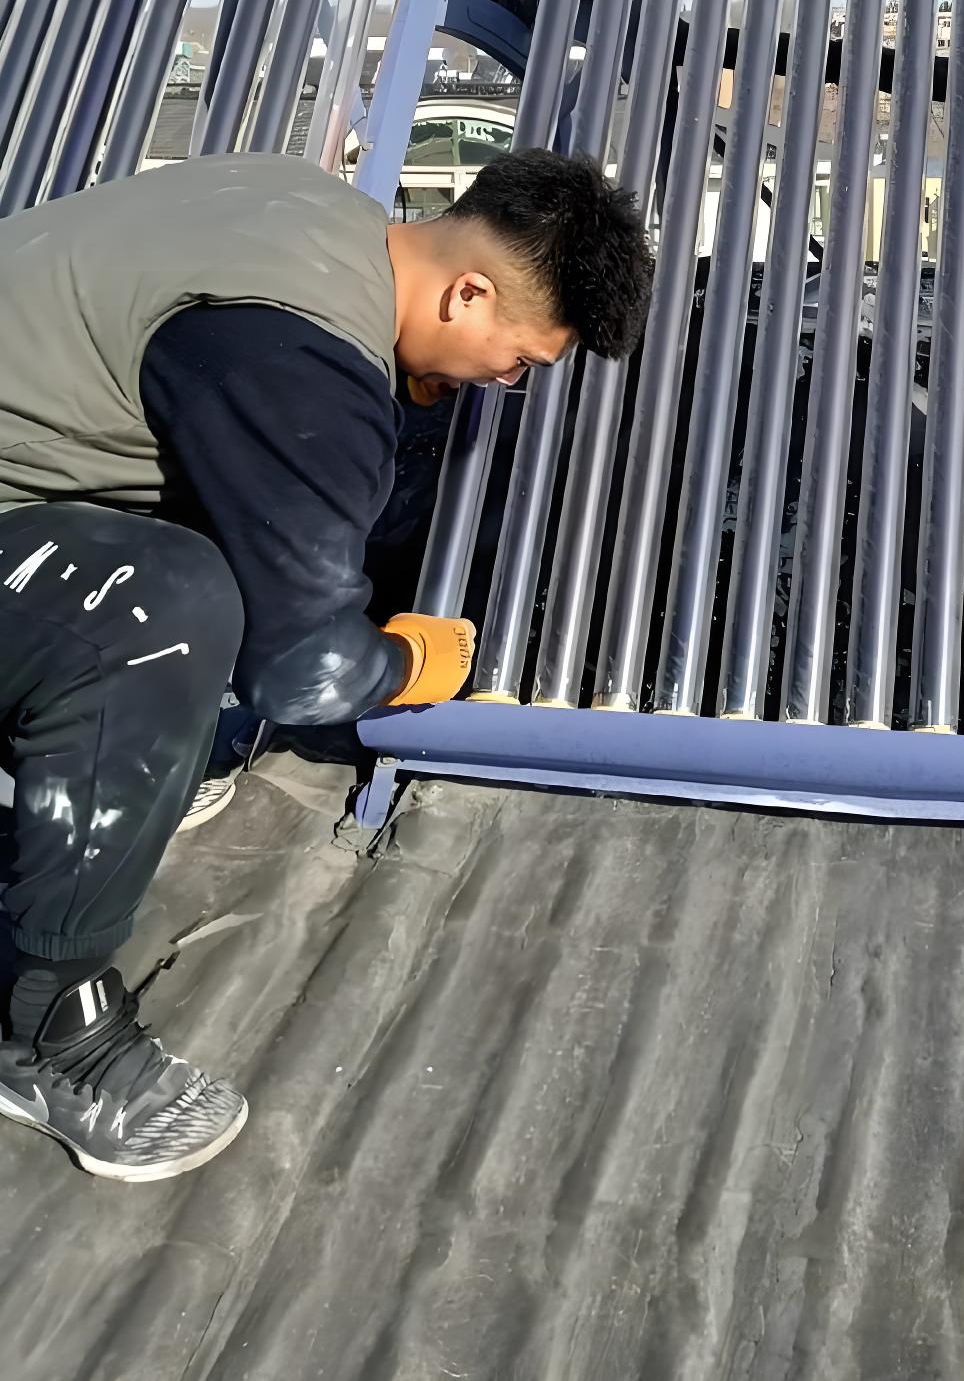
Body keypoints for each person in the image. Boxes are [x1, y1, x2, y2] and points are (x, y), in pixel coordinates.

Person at [0, 148, 651, 1182]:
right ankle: (44, 1030)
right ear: (468, 291)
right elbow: (301, 676)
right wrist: (404, 659)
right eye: (520, 359)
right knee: (164, 608)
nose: (510, 383)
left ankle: (115, 749)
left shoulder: (307, 206)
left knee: (286, 494)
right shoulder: (296, 357)